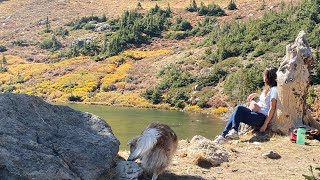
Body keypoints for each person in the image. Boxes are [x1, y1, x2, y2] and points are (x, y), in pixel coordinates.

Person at [214, 66, 278, 144]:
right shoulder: (268, 89)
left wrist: (265, 125)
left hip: (261, 118)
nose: (263, 77)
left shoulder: (274, 90)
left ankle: (229, 133)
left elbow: (272, 108)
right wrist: (256, 95)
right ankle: (223, 136)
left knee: (239, 109)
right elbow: (263, 101)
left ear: (268, 77)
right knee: (236, 112)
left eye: (264, 75)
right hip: (256, 114)